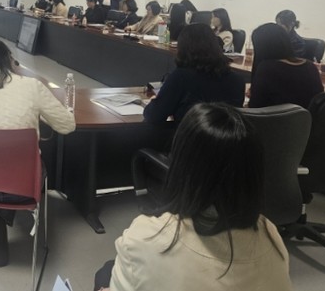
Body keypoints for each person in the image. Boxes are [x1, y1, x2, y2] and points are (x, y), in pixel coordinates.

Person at [94, 103, 291, 291]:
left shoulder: (144, 238)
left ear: (181, 165)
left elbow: (154, 113)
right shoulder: (271, 235)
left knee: (105, 273)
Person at [0, 39, 75, 268]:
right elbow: (67, 126)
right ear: (10, 60)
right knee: (22, 168)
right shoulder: (32, 87)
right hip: (22, 190)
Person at [143, 23, 245, 127]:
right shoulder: (237, 80)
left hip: (188, 135)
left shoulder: (181, 77)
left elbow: (153, 116)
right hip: (226, 137)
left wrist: (155, 101)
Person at [249, 23, 323, 109]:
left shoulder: (267, 69)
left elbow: (255, 107)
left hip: (275, 117)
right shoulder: (310, 66)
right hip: (307, 117)